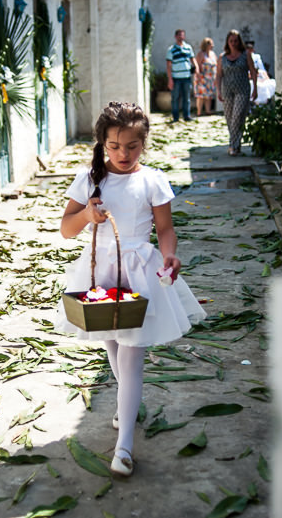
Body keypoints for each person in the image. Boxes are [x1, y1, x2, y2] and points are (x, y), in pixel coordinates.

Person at [59, 101, 206, 477]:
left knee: (131, 353)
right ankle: (128, 406)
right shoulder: (90, 179)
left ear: (144, 143)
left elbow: (166, 229)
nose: (123, 154)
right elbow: (66, 228)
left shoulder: (152, 180)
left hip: (141, 269)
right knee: (112, 341)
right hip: (101, 272)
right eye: (114, 146)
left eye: (132, 146)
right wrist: (87, 216)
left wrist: (170, 257)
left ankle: (124, 445)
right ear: (102, 143)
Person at [216, 30, 258, 155]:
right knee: (229, 119)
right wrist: (218, 90)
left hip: (242, 89)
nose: (233, 43)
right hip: (227, 90)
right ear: (227, 43)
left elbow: (253, 71)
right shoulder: (222, 57)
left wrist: (255, 88)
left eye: (235, 41)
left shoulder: (245, 55)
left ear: (239, 42)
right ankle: (236, 144)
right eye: (231, 41)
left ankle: (232, 145)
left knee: (237, 116)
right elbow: (218, 75)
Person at [164, 29, 198, 122]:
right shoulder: (171, 50)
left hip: (186, 76)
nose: (181, 37)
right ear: (175, 36)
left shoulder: (188, 48)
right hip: (176, 78)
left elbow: (192, 59)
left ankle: (187, 116)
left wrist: (196, 67)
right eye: (179, 35)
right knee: (175, 98)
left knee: (186, 98)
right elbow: (168, 65)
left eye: (182, 35)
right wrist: (170, 79)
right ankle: (175, 117)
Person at [193, 37, 218, 116]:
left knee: (209, 96)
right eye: (211, 44)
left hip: (211, 78)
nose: (212, 45)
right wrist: (199, 76)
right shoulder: (201, 54)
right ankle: (199, 112)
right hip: (202, 77)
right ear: (206, 45)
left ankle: (208, 111)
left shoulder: (213, 54)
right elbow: (197, 65)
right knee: (201, 96)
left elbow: (217, 64)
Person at [246, 41, 275, 105]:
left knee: (269, 84)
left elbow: (262, 69)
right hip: (249, 76)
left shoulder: (256, 57)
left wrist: (263, 77)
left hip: (258, 75)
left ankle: (265, 101)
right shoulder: (244, 57)